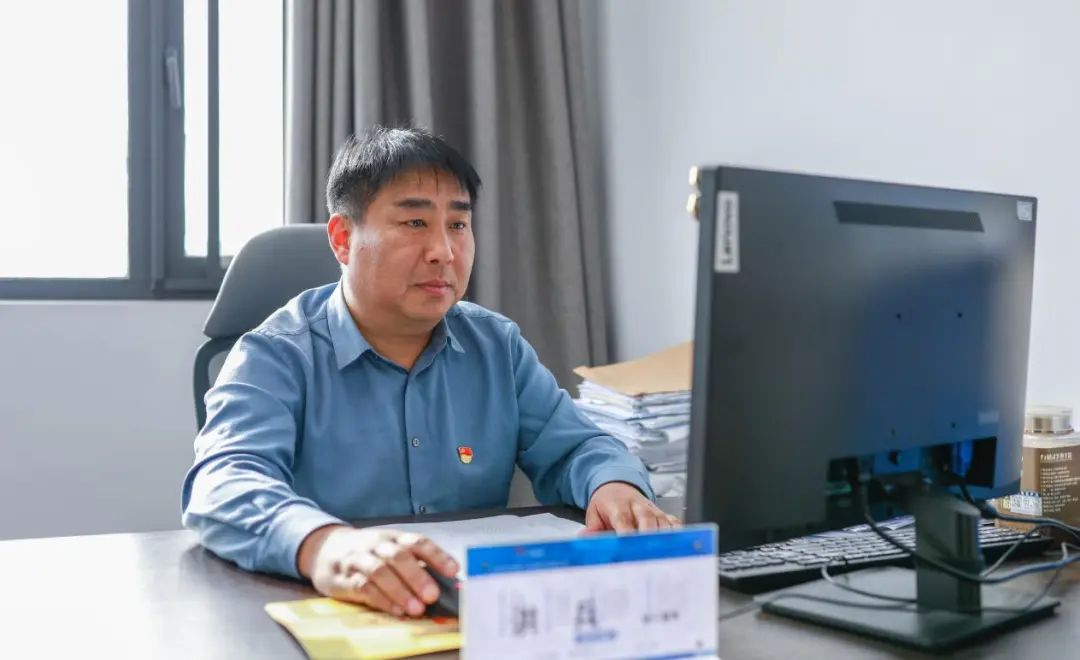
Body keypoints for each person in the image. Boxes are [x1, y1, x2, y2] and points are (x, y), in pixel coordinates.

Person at [181, 126, 679, 618]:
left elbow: (575, 447)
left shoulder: (496, 346)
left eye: (458, 225)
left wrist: (614, 486)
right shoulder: (275, 354)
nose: (444, 250)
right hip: (333, 613)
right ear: (343, 238)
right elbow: (223, 481)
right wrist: (324, 545)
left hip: (468, 616)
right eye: (415, 222)